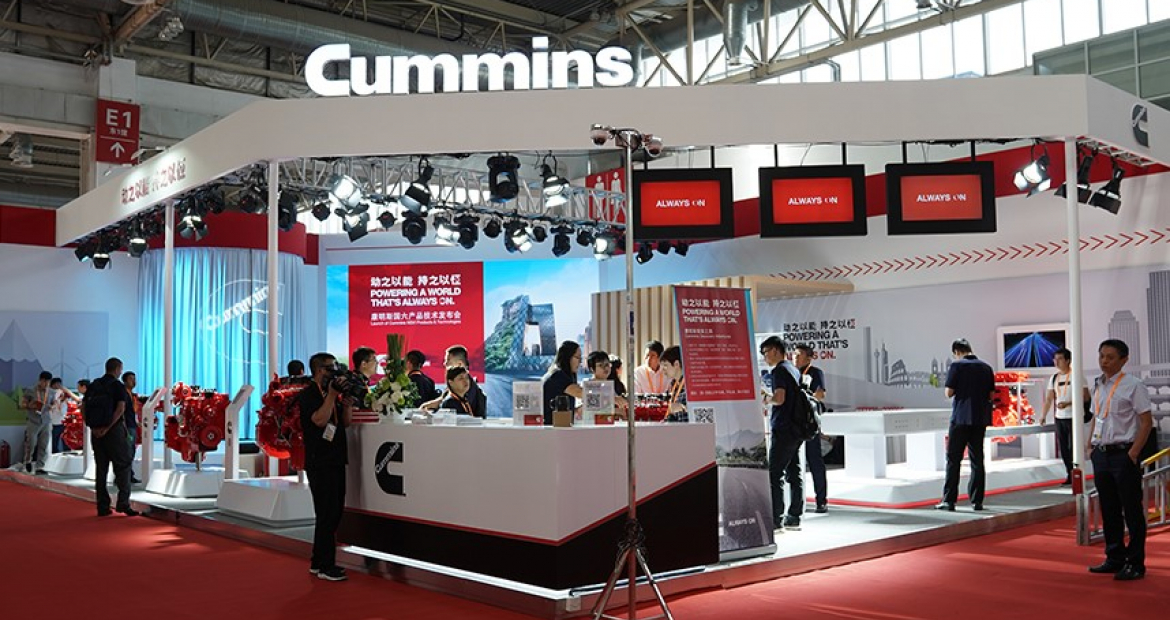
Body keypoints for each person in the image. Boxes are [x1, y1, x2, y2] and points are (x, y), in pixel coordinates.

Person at [1086, 339, 1152, 582]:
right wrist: (1090, 446)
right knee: (1109, 508)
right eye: (1101, 356)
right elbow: (1096, 418)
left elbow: (1146, 422)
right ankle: (1114, 558)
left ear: (1124, 360)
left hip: (1123, 453)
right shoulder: (1098, 385)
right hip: (1101, 453)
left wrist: (1133, 453)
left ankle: (1135, 563)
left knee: (1132, 510)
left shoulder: (1134, 385)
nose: (1104, 361)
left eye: (1110, 357)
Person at [299, 351, 357, 582]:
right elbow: (319, 420)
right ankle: (326, 565)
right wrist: (332, 396)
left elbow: (344, 423)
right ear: (319, 370)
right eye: (330, 368)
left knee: (333, 512)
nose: (334, 372)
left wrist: (347, 405)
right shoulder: (309, 394)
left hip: (335, 458)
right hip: (320, 461)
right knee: (327, 513)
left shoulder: (333, 393)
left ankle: (318, 561)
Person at [937, 339, 995, 512]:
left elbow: (949, 392)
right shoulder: (986, 368)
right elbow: (991, 395)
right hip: (979, 419)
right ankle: (977, 501)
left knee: (954, 460)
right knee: (977, 460)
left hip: (960, 418)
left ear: (956, 352)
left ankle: (949, 501)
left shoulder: (957, 366)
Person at [761, 337, 804, 530]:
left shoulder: (779, 370)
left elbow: (779, 399)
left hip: (784, 427)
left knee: (775, 473)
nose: (765, 357)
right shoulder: (793, 369)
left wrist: (765, 398)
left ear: (775, 350)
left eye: (766, 352)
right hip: (796, 428)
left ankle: (775, 519)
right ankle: (794, 515)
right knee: (794, 472)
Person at [86, 358, 138, 517]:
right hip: (114, 432)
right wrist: (108, 427)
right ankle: (123, 503)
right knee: (123, 466)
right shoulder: (117, 386)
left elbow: (83, 407)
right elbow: (120, 408)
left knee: (101, 469)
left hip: (96, 432)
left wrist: (94, 427)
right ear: (117, 369)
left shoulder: (94, 385)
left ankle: (102, 506)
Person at [1040, 347, 1090, 486]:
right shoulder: (1054, 378)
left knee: (1074, 447)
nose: (1056, 362)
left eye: (1060, 359)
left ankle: (1077, 473)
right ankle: (1070, 473)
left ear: (1068, 360)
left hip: (1075, 416)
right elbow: (1049, 399)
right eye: (1055, 359)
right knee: (1063, 448)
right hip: (1060, 417)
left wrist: (1069, 403)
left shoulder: (1077, 376)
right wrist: (1043, 415)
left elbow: (1086, 397)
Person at [794, 344, 830, 514]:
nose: (795, 358)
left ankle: (821, 501)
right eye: (794, 354)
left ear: (809, 358)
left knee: (814, 460)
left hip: (809, 424)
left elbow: (821, 395)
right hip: (793, 424)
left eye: (799, 355)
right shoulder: (790, 373)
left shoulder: (815, 373)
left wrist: (805, 398)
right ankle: (794, 503)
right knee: (792, 463)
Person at [422, 345, 486, 417]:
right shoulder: (458, 386)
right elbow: (442, 400)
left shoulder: (468, 390)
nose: (445, 363)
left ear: (459, 364)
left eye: (448, 360)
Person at [21, 371, 55, 474]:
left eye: (48, 382)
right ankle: (27, 461)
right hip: (33, 421)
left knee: (44, 444)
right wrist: (29, 406)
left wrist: (52, 406)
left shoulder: (52, 392)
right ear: (40, 380)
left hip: (46, 421)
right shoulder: (30, 390)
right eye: (45, 382)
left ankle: (40, 466)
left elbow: (54, 403)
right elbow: (22, 404)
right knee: (31, 443)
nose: (46, 384)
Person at [542, 341, 583, 425]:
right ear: (567, 357)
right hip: (552, 427)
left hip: (558, 425)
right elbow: (581, 393)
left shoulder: (559, 373)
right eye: (578, 357)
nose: (580, 362)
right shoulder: (558, 375)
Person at [586, 350, 629, 416]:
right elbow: (592, 410)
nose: (605, 368)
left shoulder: (608, 384)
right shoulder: (590, 385)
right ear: (592, 369)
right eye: (600, 365)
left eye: (607, 364)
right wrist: (616, 411)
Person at [121, 371, 144, 483]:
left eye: (134, 379)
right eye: (131, 379)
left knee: (131, 451)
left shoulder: (132, 395)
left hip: (132, 425)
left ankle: (128, 475)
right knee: (127, 451)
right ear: (125, 381)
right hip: (127, 426)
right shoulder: (123, 394)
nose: (134, 381)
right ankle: (124, 476)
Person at [660, 346, 687, 422]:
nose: (662, 369)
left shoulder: (689, 387)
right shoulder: (673, 384)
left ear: (676, 364)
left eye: (665, 365)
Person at [49, 378, 70, 453]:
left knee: (65, 442)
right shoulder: (49, 395)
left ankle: (67, 454)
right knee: (53, 442)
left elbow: (63, 412)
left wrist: (60, 403)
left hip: (63, 422)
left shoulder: (64, 399)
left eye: (59, 385)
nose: (58, 386)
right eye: (56, 384)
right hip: (53, 423)